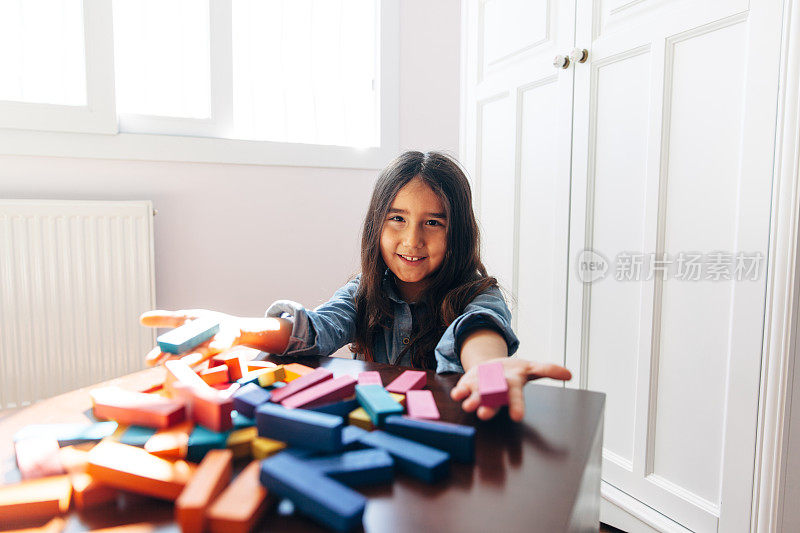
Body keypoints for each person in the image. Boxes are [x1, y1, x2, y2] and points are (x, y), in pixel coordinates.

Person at [141, 151, 572, 421]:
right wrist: (234, 328)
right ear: (376, 225)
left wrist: (485, 370)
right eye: (397, 219)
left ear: (457, 232)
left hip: (448, 435)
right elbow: (314, 330)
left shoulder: (478, 295)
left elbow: (478, 331)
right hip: (374, 431)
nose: (412, 240)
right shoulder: (365, 292)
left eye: (433, 223)